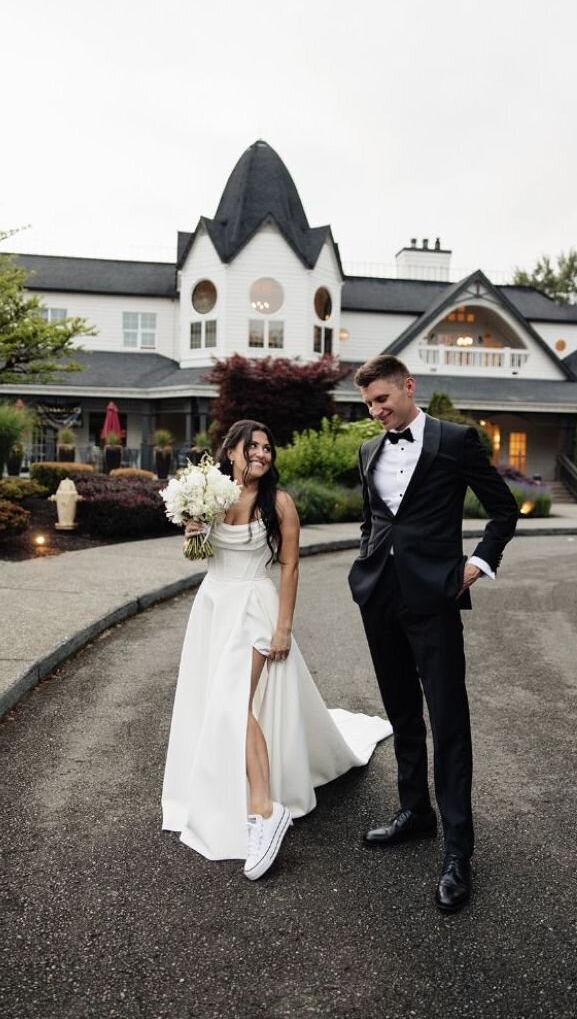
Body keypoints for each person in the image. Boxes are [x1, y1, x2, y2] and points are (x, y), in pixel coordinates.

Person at [162, 419, 391, 880]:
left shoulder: (280, 504)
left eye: (268, 448)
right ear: (230, 452)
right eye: (253, 447)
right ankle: (245, 796)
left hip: (253, 609)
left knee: (232, 703)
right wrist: (193, 531)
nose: (262, 454)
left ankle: (265, 812)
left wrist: (283, 628)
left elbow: (289, 569)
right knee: (224, 703)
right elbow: (204, 556)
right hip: (212, 606)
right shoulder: (212, 495)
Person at [348, 356, 518, 913]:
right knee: (401, 713)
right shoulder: (368, 450)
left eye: (382, 400)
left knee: (448, 722)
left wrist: (476, 565)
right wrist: (365, 565)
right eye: (368, 404)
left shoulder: (455, 441)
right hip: (380, 597)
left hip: (436, 598)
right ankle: (414, 813)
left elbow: (503, 511)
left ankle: (458, 852)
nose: (375, 412)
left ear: (408, 386)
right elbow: (374, 518)